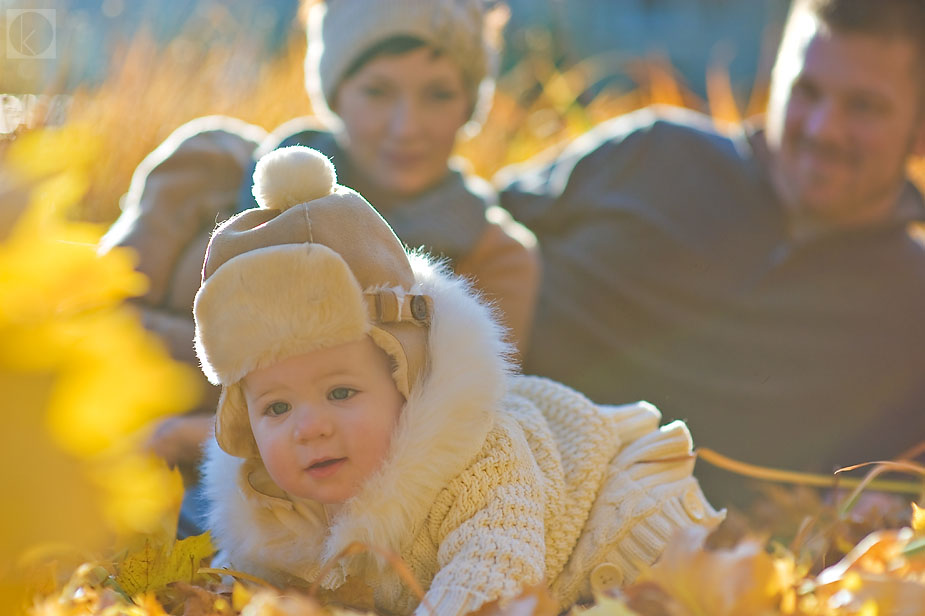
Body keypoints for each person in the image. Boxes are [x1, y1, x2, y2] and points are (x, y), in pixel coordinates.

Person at [195, 146, 722, 615]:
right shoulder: (269, 502)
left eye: (341, 393)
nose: (309, 428)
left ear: (407, 380)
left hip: (615, 519)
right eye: (277, 408)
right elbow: (247, 581)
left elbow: (492, 574)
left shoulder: (479, 460)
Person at [494, 0, 925, 505]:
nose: (823, 129)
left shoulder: (910, 311)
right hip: (467, 452)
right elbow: (466, 226)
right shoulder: (655, 152)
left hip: (647, 557)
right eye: (805, 92)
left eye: (864, 107)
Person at [98, 0, 539, 472]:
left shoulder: (493, 254)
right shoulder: (210, 168)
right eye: (376, 91)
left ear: (469, 105)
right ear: (336, 92)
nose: (407, 126)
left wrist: (189, 432)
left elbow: (436, 426)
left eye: (438, 95)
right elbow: (96, 315)